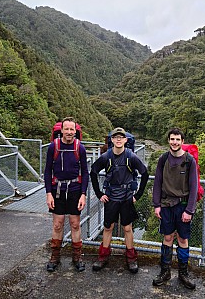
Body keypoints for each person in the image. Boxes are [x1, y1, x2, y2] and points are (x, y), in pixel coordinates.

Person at [90, 127, 149, 273]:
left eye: (120, 137)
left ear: (125, 140)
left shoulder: (131, 156)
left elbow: (145, 173)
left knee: (127, 228)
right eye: (115, 137)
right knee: (108, 227)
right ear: (111, 140)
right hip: (111, 196)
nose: (118, 139)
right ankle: (103, 257)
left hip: (127, 197)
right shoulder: (106, 156)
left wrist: (138, 195)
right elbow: (93, 172)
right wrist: (99, 194)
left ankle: (131, 258)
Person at [152, 127, 198, 290]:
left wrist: (189, 210)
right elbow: (157, 182)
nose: (175, 142)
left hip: (183, 205)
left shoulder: (189, 160)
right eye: (172, 139)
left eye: (178, 139)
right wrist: (156, 204)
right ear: (168, 141)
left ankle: (183, 274)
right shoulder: (163, 159)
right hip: (166, 205)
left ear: (182, 142)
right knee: (167, 238)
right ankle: (165, 272)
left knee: (183, 240)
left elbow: (194, 187)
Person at [44, 117, 89, 272]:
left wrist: (83, 194)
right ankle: (55, 256)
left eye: (72, 129)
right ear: (61, 130)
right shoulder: (53, 147)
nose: (69, 132)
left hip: (75, 189)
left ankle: (77, 257)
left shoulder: (80, 148)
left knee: (75, 224)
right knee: (57, 224)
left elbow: (85, 172)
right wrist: (48, 193)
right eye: (67, 129)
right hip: (58, 189)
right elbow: (47, 171)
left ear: (75, 131)